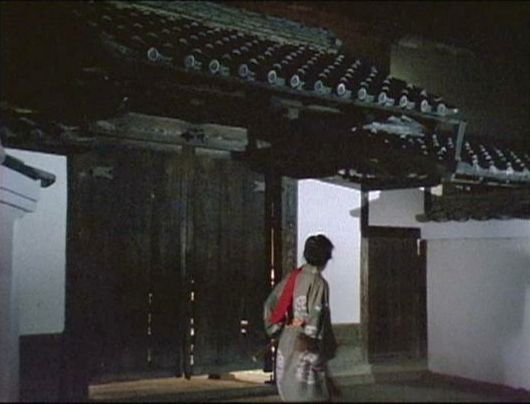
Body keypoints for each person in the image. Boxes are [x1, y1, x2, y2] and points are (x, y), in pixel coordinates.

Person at [264, 234, 338, 402]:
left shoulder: (292, 277)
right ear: (325, 258)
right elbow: (315, 320)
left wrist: (279, 328)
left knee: (290, 392)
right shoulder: (318, 283)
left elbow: (271, 304)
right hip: (304, 346)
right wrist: (316, 352)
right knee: (310, 395)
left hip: (287, 342)